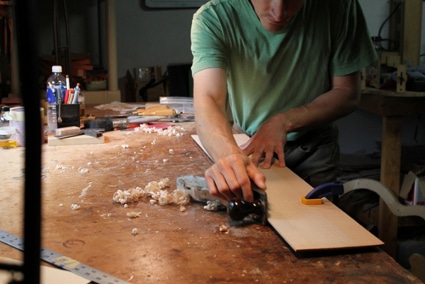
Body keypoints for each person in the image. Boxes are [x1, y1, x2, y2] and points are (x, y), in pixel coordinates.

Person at [190, 0, 377, 203]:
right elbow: (208, 99)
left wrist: (283, 121)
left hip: (314, 148)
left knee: (317, 226)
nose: (278, 13)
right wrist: (228, 155)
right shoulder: (214, 17)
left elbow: (347, 92)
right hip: (248, 144)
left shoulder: (340, 6)